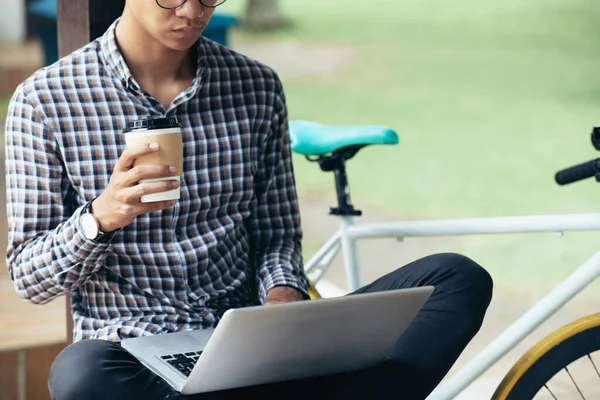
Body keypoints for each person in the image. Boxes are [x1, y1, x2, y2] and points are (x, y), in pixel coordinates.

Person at [4, 0, 493, 399]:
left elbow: (276, 233)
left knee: (456, 278)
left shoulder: (255, 87)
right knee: (79, 375)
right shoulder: (45, 101)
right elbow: (30, 277)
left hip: (244, 341)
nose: (193, 11)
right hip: (132, 353)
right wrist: (99, 218)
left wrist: (283, 298)